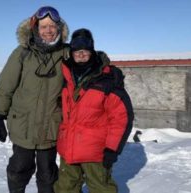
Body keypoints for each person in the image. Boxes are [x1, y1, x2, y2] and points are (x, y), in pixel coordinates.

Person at [0, 6, 68, 193]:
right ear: (36, 28)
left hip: (50, 125)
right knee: (19, 169)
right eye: (44, 27)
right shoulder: (22, 52)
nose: (48, 31)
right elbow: (5, 86)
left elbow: (87, 62)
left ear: (58, 28)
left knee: (48, 173)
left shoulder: (66, 53)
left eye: (52, 26)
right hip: (23, 124)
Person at [54, 28, 134, 193]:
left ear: (92, 51)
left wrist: (112, 149)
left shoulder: (106, 79)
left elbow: (121, 117)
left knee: (101, 189)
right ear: (71, 52)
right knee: (65, 189)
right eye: (77, 51)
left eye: (85, 50)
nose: (81, 54)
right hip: (68, 148)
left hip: (95, 152)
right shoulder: (66, 75)